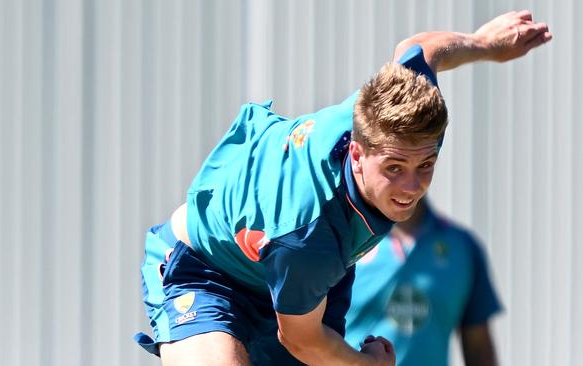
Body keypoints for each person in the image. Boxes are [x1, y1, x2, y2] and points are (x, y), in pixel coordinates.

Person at [135, 10, 551, 366]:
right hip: (207, 272)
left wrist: (485, 44)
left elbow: (422, 48)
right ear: (356, 152)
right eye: (394, 167)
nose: (412, 186)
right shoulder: (309, 232)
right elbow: (300, 339)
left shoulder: (409, 115)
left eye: (426, 165)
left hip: (298, 283)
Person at [344, 198, 502, 366]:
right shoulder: (345, 238)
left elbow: (478, 346)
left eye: (422, 169)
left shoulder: (462, 246)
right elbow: (315, 334)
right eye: (394, 169)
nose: (408, 180)